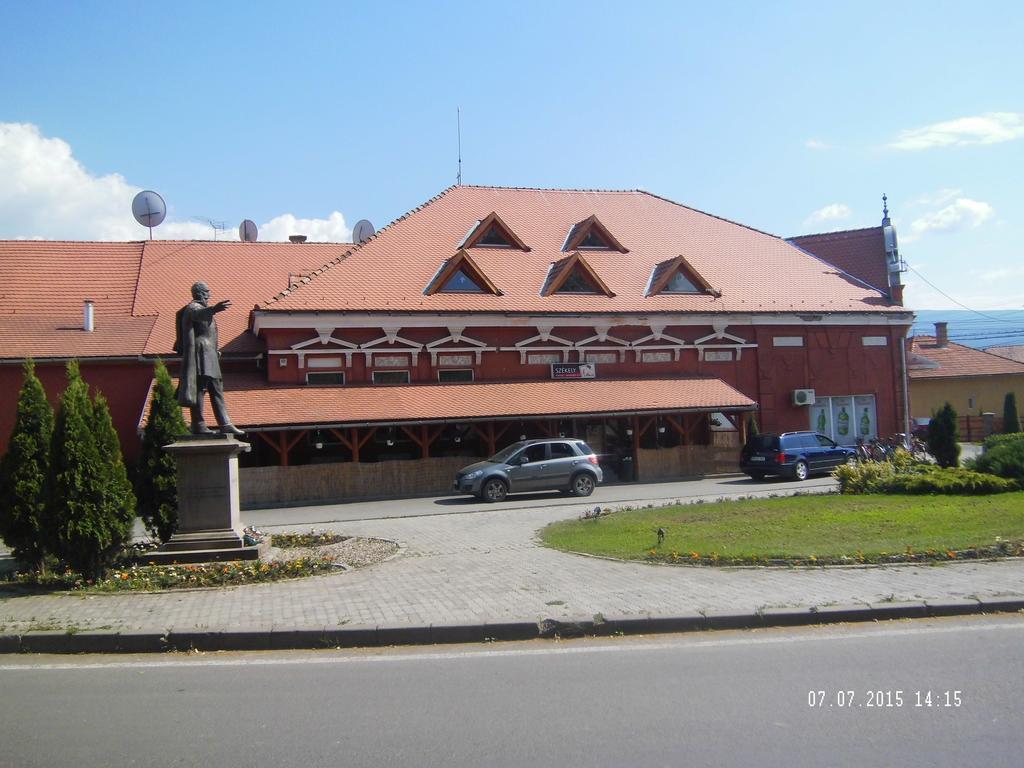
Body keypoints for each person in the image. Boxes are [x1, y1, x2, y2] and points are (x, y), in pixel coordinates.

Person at [174, 282, 244, 435]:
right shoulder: (193, 308)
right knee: (200, 388)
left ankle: (225, 423)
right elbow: (197, 316)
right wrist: (213, 309)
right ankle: (198, 424)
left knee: (217, 388)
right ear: (198, 293)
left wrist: (215, 350)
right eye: (206, 291)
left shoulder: (202, 309)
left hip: (210, 353)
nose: (209, 294)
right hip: (200, 353)